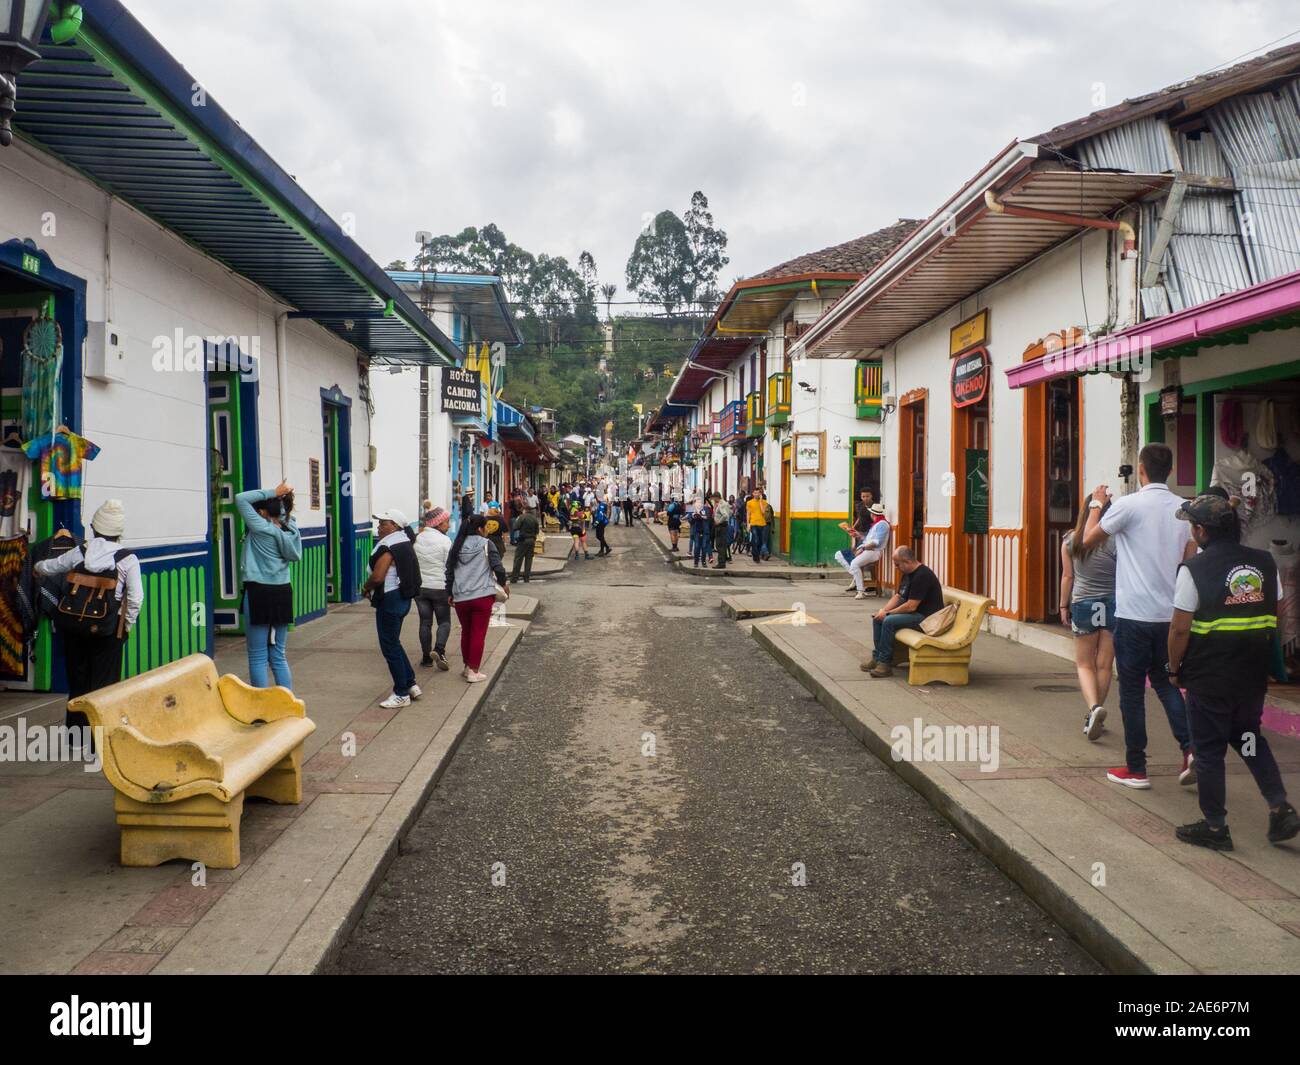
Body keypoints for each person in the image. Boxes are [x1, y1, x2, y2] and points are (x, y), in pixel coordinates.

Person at [1166, 493, 1300, 849]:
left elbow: (1179, 630)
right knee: (1248, 738)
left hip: (1209, 676)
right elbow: (1277, 611)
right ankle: (1279, 806)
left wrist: (1173, 669)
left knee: (1208, 751)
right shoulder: (1265, 562)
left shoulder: (1194, 570)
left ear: (1201, 531)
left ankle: (1214, 827)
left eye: (1193, 527)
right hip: (1251, 675)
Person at [1082, 443, 1196, 790]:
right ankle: (1191, 749)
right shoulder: (1185, 510)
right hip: (1169, 616)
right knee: (1165, 684)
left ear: (1141, 470)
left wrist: (1097, 505)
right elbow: (1190, 558)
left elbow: (1087, 541)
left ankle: (1137, 768)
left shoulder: (1129, 505)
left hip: (1133, 615)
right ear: (1171, 471)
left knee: (1131, 691)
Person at [38, 499, 144, 728]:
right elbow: (135, 598)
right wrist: (126, 625)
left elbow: (53, 566)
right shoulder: (127, 558)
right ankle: (100, 740)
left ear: (95, 528)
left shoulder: (81, 551)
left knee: (77, 681)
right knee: (105, 685)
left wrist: (37, 568)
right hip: (108, 629)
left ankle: (76, 736)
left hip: (75, 626)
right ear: (118, 532)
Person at [1061, 493, 1117, 741]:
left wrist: (1063, 606)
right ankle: (1095, 712)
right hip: (1113, 603)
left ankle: (1094, 709)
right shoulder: (1116, 541)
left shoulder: (1070, 541)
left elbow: (1068, 577)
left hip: (1083, 603)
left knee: (1084, 664)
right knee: (1104, 664)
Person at [235, 480, 302, 688]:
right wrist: (280, 497)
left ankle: (262, 708)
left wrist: (273, 491)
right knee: (278, 654)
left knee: (257, 656)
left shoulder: (261, 527)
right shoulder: (291, 529)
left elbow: (240, 498)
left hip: (259, 592)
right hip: (282, 592)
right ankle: (287, 703)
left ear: (263, 512)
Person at [363, 509, 422, 709]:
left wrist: (366, 587)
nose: (379, 527)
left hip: (390, 598)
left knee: (389, 646)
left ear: (395, 526)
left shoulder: (390, 546)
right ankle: (411, 683)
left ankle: (401, 693)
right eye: (379, 523)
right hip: (401, 598)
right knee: (394, 643)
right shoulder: (403, 541)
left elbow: (379, 576)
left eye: (383, 523)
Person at [862, 546, 944, 678]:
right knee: (878, 619)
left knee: (888, 621)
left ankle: (885, 663)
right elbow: (898, 596)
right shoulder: (907, 574)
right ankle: (877, 658)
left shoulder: (922, 575)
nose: (896, 568)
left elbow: (911, 606)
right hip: (915, 614)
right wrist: (883, 611)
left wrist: (888, 614)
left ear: (906, 561)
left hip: (927, 618)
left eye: (897, 564)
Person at [446, 513, 508, 683]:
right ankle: (474, 671)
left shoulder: (456, 545)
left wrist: (449, 593)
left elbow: (449, 571)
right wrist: (504, 584)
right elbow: (498, 568)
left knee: (466, 632)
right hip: (482, 596)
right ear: (480, 529)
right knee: (478, 634)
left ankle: (467, 667)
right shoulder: (486, 544)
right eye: (486, 527)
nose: (487, 530)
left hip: (461, 596)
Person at [414, 507, 453, 670]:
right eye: (446, 522)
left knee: (425, 622)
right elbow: (449, 567)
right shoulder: (445, 541)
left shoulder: (418, 539)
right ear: (438, 524)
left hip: (421, 588)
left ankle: (426, 658)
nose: (449, 526)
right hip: (440, 587)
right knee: (444, 621)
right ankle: (439, 649)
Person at [838, 503, 890, 599]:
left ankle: (860, 590)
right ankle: (859, 582)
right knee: (840, 555)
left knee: (854, 564)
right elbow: (868, 540)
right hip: (868, 549)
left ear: (872, 514)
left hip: (874, 551)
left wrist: (862, 548)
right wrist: (858, 535)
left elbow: (876, 542)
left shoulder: (882, 525)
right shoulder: (877, 524)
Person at [511, 503, 541, 581]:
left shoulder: (522, 517)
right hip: (532, 540)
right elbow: (537, 531)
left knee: (518, 559)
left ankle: (514, 577)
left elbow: (515, 527)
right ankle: (526, 577)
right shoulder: (534, 519)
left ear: (524, 510)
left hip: (523, 540)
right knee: (529, 559)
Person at [746, 488, 768, 563]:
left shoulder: (764, 502)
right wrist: (748, 524)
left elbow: (763, 512)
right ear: (753, 494)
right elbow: (748, 514)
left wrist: (761, 501)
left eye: (758, 493)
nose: (756, 494)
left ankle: (756, 554)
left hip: (762, 524)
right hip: (753, 523)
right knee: (755, 540)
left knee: (760, 542)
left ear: (760, 494)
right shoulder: (749, 503)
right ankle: (755, 556)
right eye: (755, 493)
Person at [711, 492, 732, 569]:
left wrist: (719, 521)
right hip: (722, 526)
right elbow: (729, 513)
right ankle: (722, 561)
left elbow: (725, 515)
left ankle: (721, 563)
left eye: (713, 498)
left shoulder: (722, 504)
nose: (713, 500)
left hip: (721, 526)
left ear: (717, 497)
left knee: (720, 545)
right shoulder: (722, 503)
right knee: (721, 544)